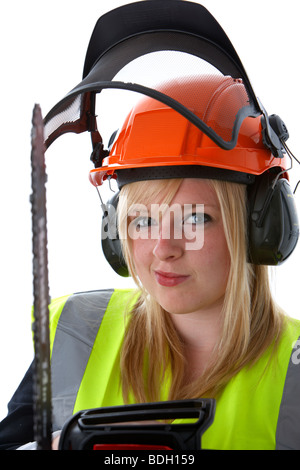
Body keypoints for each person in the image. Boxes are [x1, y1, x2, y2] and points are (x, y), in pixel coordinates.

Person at [1, 0, 300, 451]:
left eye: (196, 218)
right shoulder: (73, 332)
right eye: (141, 220)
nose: (163, 247)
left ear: (263, 226)